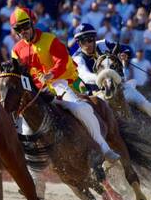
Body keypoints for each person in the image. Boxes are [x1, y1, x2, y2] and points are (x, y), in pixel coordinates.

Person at [9, 10, 120, 162]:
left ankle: (104, 147)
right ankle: (33, 174)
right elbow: (19, 75)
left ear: (32, 23)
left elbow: (62, 61)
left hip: (56, 83)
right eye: (18, 29)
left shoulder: (50, 39)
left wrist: (51, 74)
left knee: (82, 108)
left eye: (25, 26)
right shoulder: (16, 50)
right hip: (34, 93)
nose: (23, 31)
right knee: (23, 127)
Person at [73, 24, 151, 147]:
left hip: (121, 87)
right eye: (84, 41)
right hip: (99, 95)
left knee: (146, 105)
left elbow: (127, 48)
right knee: (93, 123)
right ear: (79, 43)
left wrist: (125, 54)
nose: (89, 44)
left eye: (91, 39)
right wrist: (106, 76)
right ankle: (100, 150)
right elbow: (85, 75)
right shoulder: (77, 58)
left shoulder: (103, 44)